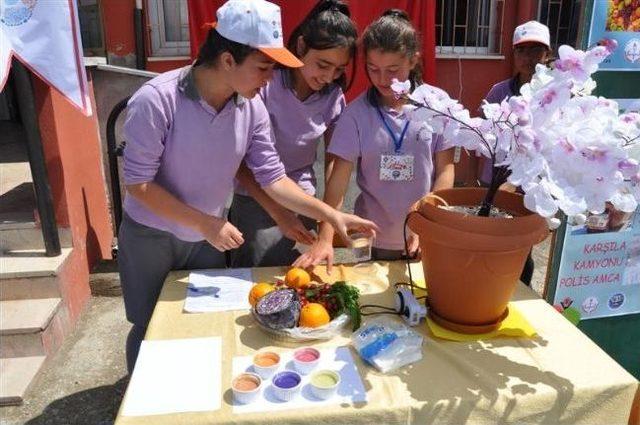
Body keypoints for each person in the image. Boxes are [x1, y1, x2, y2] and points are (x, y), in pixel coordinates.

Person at [119, 0, 376, 373]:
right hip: (151, 235)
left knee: (202, 323)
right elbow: (138, 184)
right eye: (263, 67)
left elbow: (272, 177)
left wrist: (329, 214)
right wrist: (207, 223)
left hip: (206, 237)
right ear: (227, 60)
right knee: (148, 328)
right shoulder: (157, 100)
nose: (269, 78)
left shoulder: (249, 106)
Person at [294, 9, 455, 272]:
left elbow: (446, 169)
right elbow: (337, 183)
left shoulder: (437, 105)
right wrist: (325, 239)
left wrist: (431, 221)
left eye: (393, 70)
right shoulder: (356, 115)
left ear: (413, 61)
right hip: (371, 237)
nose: (382, 80)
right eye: (373, 69)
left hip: (424, 235)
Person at [229, 0, 357, 267]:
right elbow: (239, 161)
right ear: (300, 46)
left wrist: (326, 228)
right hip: (256, 199)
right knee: (261, 277)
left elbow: (336, 163)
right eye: (322, 65)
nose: (329, 77)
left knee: (302, 281)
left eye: (338, 70)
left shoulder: (333, 97)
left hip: (303, 200)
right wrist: (279, 213)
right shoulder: (264, 85)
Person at [476, 20, 552, 285]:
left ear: (548, 54)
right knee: (488, 242)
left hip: (528, 186)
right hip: (495, 180)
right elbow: (484, 135)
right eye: (522, 50)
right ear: (514, 54)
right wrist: (484, 182)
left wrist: (517, 182)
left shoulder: (554, 96)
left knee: (521, 250)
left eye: (536, 50)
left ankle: (518, 292)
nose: (528, 57)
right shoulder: (499, 92)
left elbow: (550, 147)